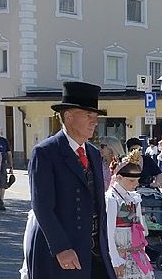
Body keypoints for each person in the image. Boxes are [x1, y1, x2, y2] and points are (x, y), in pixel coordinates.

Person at [21, 81, 116, 279]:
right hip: (60, 252)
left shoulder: (93, 153)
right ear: (69, 116)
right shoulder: (46, 152)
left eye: (95, 116)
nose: (94, 121)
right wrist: (61, 248)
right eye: (88, 115)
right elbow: (42, 207)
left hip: (93, 250)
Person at [106, 148, 154, 279]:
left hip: (136, 250)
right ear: (119, 178)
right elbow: (109, 232)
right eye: (131, 181)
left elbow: (140, 225)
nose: (135, 184)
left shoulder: (134, 197)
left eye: (137, 180)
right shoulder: (111, 199)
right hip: (120, 252)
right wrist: (115, 259)